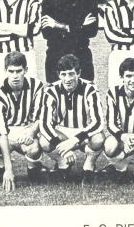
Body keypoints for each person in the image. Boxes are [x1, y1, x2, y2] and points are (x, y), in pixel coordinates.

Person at [0, 51, 45, 191]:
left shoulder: (37, 86)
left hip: (27, 128)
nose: (15, 76)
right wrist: (9, 169)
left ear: (26, 70)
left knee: (34, 149)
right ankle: (0, 165)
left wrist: (31, 132)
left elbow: (40, 117)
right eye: (11, 71)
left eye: (19, 71)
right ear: (5, 71)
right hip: (6, 133)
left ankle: (33, 167)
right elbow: (2, 132)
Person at [39, 54, 105, 182]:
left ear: (79, 73)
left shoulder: (90, 89)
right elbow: (45, 124)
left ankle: (89, 165)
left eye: (71, 74)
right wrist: (60, 146)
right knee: (44, 141)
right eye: (63, 74)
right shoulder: (51, 91)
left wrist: (75, 139)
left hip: (83, 131)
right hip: (61, 132)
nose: (67, 79)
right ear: (58, 75)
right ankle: (62, 162)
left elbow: (98, 122)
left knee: (99, 138)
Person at [40, 0, 98, 83]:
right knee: (56, 100)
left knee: (83, 100)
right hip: (55, 56)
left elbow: (92, 31)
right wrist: (79, 26)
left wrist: (58, 25)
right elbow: (47, 33)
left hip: (82, 57)